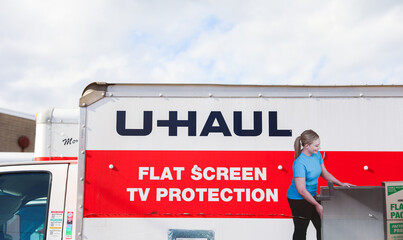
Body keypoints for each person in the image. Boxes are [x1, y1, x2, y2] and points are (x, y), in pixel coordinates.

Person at [287, 129, 352, 240]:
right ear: (307, 146)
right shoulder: (299, 163)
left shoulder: (316, 155)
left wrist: (340, 183)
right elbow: (301, 190)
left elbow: (324, 173)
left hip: (312, 195)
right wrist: (317, 205)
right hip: (298, 199)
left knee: (322, 226)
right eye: (316, 145)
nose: (319, 148)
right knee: (301, 229)